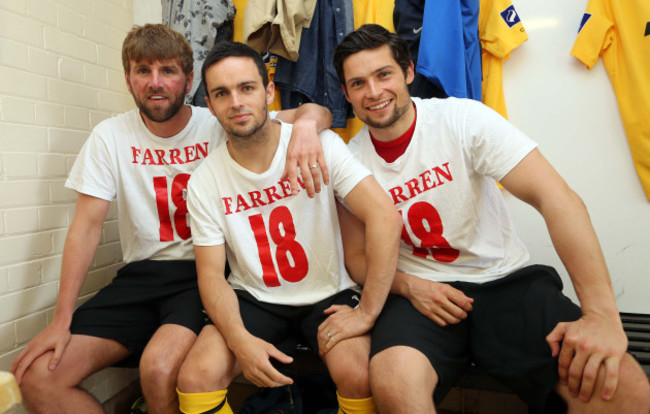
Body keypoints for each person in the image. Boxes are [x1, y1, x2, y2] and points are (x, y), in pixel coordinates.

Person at [10, 24, 333, 414]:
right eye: (142, 70)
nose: (155, 82)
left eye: (168, 70)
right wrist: (61, 318)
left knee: (160, 369)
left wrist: (306, 128)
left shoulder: (218, 121)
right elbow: (86, 226)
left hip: (201, 272)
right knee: (37, 379)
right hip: (141, 275)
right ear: (128, 78)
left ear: (190, 79)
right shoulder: (109, 136)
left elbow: (317, 111)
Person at [332, 24, 650, 414]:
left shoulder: (463, 120)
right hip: (421, 296)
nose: (374, 92)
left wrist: (602, 315)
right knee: (393, 380)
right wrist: (411, 287)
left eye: (384, 74)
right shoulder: (349, 161)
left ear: (408, 72)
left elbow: (557, 199)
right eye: (359, 83)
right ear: (346, 94)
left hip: (502, 282)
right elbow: (358, 259)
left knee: (622, 386)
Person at [174, 41, 402, 414]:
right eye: (221, 93)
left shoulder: (318, 145)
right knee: (196, 377)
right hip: (254, 298)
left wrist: (368, 313)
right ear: (210, 106)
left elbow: (385, 217)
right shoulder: (205, 180)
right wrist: (239, 340)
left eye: (247, 88)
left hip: (328, 294)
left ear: (268, 92)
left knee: (359, 375)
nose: (236, 102)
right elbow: (212, 277)